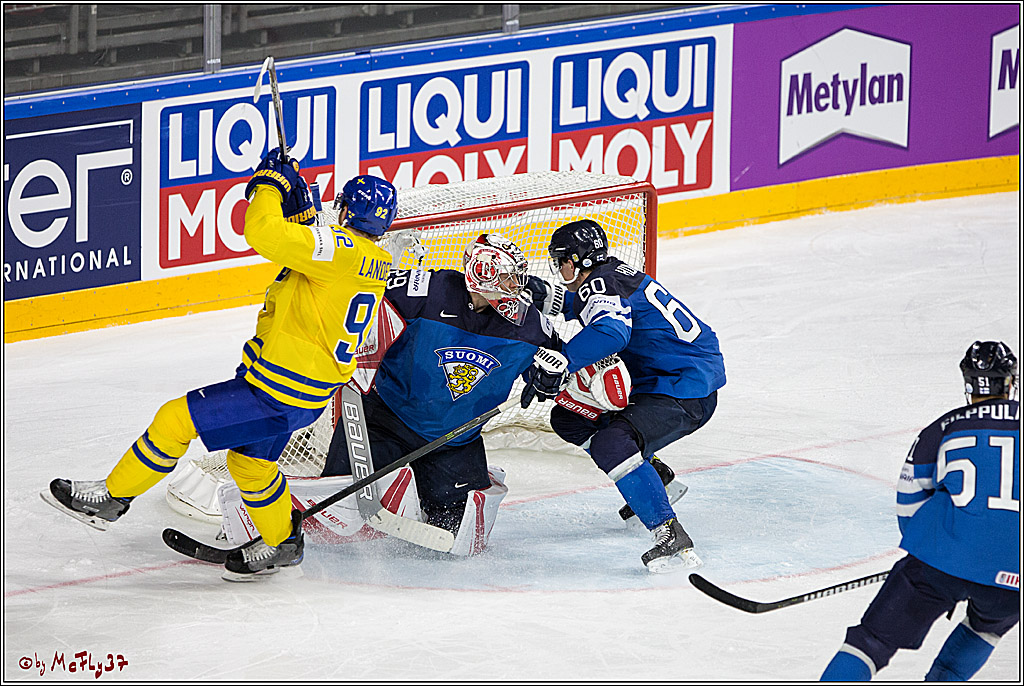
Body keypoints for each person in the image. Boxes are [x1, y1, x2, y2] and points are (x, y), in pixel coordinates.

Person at [41, 149, 398, 581]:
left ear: (345, 211)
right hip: (307, 394)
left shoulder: (340, 249)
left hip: (276, 391)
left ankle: (110, 499)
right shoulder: (372, 260)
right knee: (251, 465)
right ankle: (282, 543)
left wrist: (269, 185)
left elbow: (263, 233)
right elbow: (307, 264)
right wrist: (301, 211)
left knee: (175, 420)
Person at [311, 232, 563, 553]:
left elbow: (560, 364)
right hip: (385, 422)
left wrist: (551, 374)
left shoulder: (530, 325)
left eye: (517, 278)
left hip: (455, 443)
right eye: (508, 278)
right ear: (483, 273)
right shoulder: (424, 290)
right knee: (335, 517)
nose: (516, 287)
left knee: (458, 539)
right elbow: (361, 298)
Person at [519, 219, 726, 572]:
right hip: (680, 376)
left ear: (575, 261)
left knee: (611, 443)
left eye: (559, 261)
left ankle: (669, 532)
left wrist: (563, 362)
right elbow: (589, 304)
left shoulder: (600, 284)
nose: (558, 268)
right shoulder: (613, 274)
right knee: (569, 418)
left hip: (685, 388)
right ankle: (656, 477)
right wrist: (548, 298)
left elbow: (611, 332)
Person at [820, 340, 1019, 681]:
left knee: (871, 642)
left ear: (969, 384)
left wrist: (926, 553)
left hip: (939, 562)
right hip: (1013, 574)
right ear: (1010, 381)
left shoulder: (945, 427)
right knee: (986, 628)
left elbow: (910, 500)